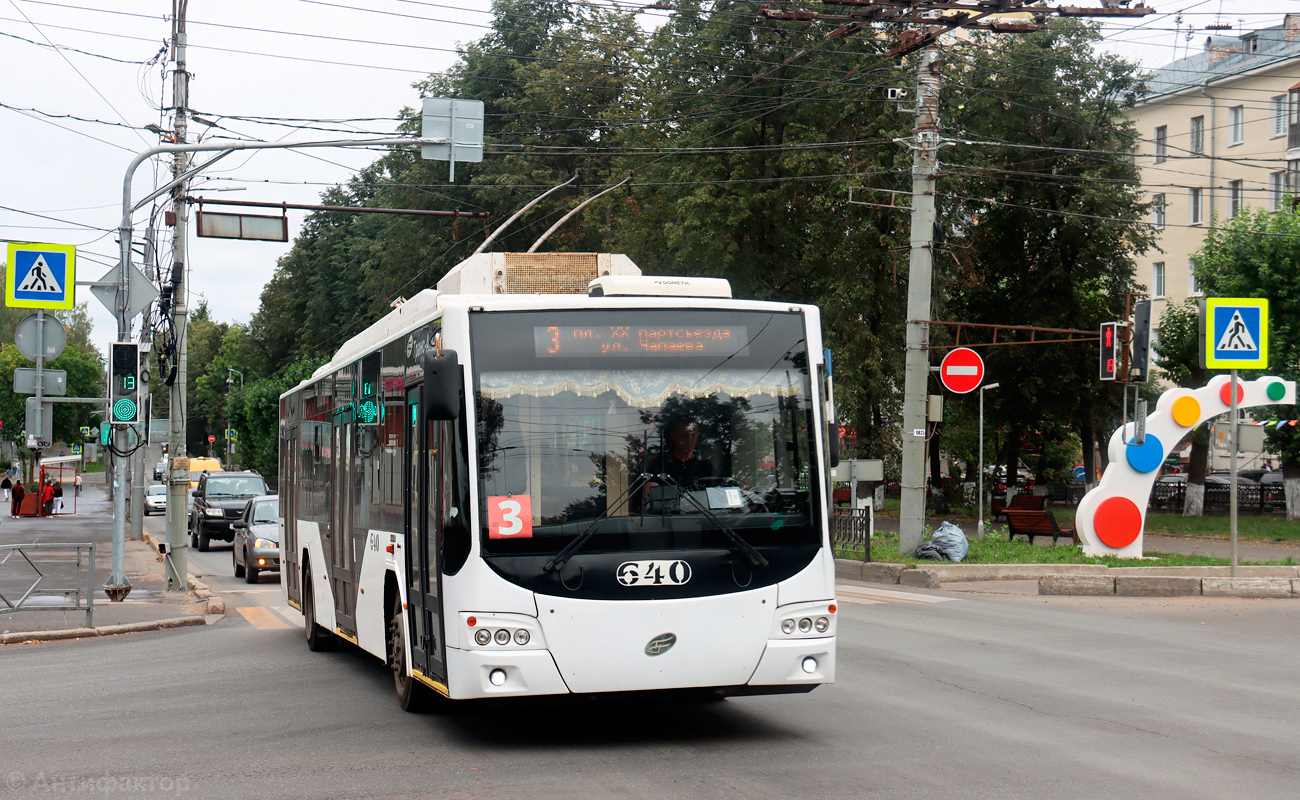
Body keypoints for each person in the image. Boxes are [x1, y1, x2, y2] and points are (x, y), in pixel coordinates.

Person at [650, 420, 714, 491]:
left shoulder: (706, 467)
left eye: (692, 434)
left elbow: (718, 493)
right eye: (683, 434)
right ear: (673, 437)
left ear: (697, 437)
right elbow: (651, 496)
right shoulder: (660, 466)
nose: (689, 439)